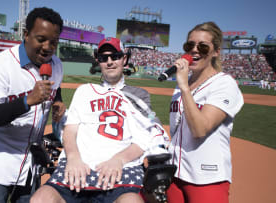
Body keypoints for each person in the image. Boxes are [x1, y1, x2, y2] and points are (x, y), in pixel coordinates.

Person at [30, 37, 167, 203]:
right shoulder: (84, 91)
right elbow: (70, 130)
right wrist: (73, 157)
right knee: (41, 199)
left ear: (124, 59)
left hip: (122, 171)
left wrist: (119, 160)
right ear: (98, 61)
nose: (109, 62)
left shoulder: (139, 95)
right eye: (103, 58)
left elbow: (146, 137)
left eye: (115, 56)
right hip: (79, 166)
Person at [0, 7, 65, 203]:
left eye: (54, 42)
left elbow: (56, 89)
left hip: (32, 165)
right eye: (41, 39)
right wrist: (27, 101)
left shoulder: (56, 65)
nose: (48, 47)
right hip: (0, 164)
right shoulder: (1, 64)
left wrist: (58, 101)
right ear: (26, 34)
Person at [166, 22, 244, 203]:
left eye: (202, 46)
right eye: (189, 45)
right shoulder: (180, 85)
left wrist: (185, 86)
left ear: (216, 51)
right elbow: (176, 129)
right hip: (175, 172)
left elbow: (200, 129)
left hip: (206, 177)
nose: (194, 50)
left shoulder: (224, 84)